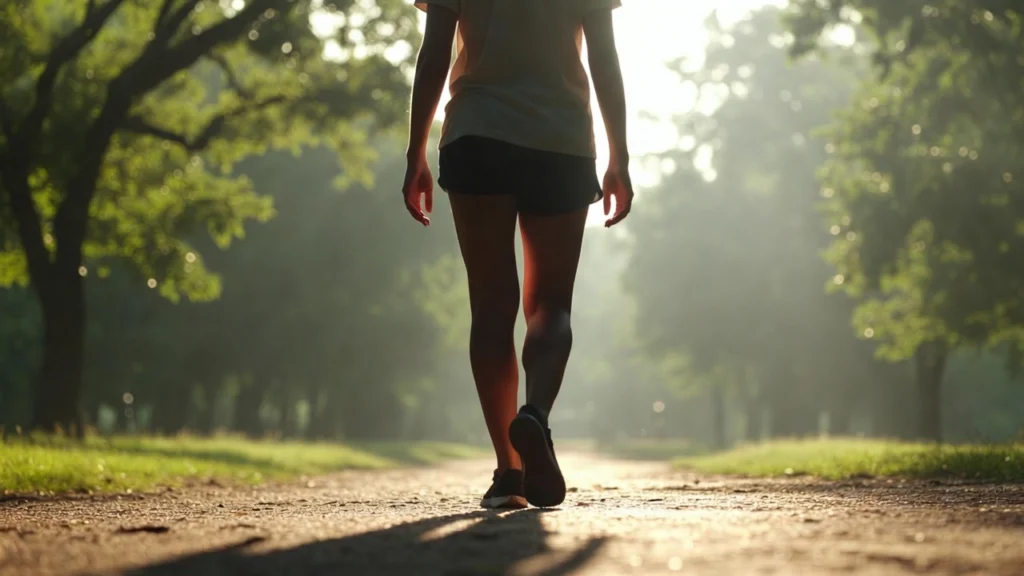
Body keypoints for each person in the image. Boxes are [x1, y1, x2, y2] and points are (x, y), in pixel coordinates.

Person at [402, 0, 632, 509]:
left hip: (476, 133)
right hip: (561, 138)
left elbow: (435, 49)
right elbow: (605, 56)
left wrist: (415, 151)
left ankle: (509, 472)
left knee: (491, 306)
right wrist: (620, 155)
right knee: (551, 304)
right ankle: (535, 417)